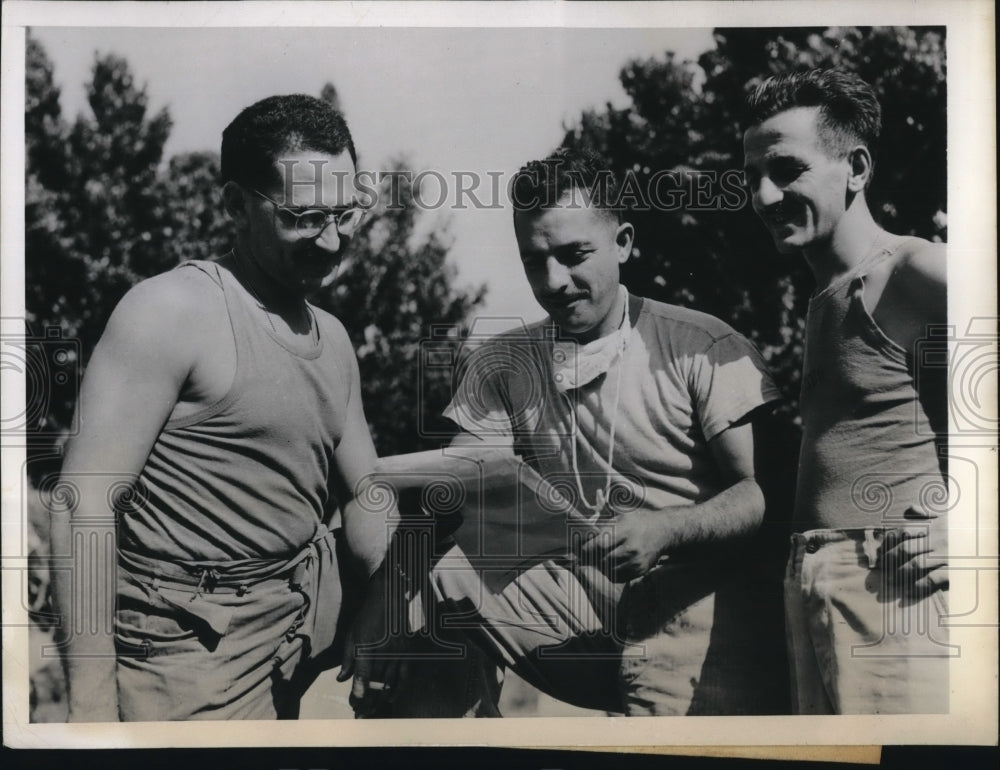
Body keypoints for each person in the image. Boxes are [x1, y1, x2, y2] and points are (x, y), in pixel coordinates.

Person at [370, 147, 786, 717]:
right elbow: (454, 497)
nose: (554, 281)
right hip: (576, 608)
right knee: (435, 585)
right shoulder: (502, 363)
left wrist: (667, 529)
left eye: (573, 255)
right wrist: (393, 617)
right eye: (534, 260)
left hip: (691, 611)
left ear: (623, 243)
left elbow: (760, 494)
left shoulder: (701, 345)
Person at [50, 94, 397, 721]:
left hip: (297, 619)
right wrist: (93, 708)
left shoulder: (334, 338)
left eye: (347, 213)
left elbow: (367, 496)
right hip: (190, 641)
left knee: (453, 569)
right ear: (237, 204)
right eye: (305, 216)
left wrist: (386, 604)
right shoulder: (173, 311)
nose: (332, 238)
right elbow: (82, 508)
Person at [743, 69, 950, 714]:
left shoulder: (910, 269)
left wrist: (974, 524)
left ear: (855, 167)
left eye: (786, 170)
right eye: (752, 175)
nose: (764, 195)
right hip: (816, 585)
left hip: (895, 585)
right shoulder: (827, 296)